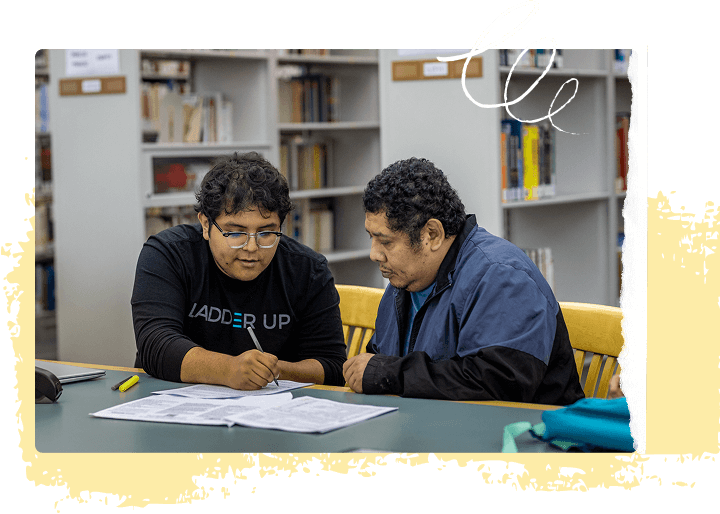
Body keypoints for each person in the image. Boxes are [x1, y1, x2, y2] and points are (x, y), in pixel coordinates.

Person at [343, 157, 585, 405]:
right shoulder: (404, 281)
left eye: (385, 241)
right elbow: (379, 361)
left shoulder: (502, 276)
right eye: (371, 238)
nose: (374, 254)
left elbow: (499, 383)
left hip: (523, 428)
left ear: (432, 234)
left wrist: (390, 374)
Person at [132, 152, 346, 389]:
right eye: (235, 233)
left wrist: (272, 371)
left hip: (273, 406)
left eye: (266, 232)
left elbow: (333, 366)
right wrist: (228, 369)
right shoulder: (168, 254)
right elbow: (155, 344)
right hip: (171, 400)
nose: (252, 247)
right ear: (206, 224)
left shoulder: (309, 271)